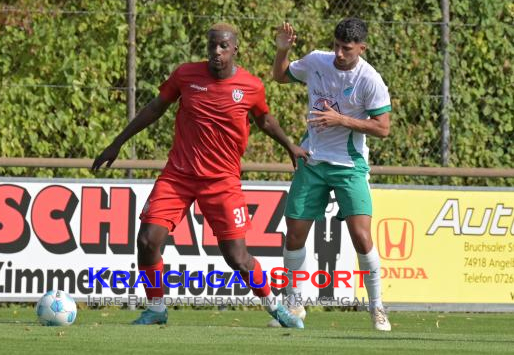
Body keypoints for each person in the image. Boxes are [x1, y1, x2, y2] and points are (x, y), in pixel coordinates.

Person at [92, 22, 308, 328]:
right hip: (178, 175)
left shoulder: (250, 86)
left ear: (235, 49)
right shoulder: (185, 75)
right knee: (147, 240)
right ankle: (156, 308)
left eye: (222, 46)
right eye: (211, 46)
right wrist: (117, 142)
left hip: (222, 181)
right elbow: (155, 107)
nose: (216, 52)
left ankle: (275, 307)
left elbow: (264, 119)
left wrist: (290, 145)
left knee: (237, 258)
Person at [270, 18, 392, 331]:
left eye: (346, 49)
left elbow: (383, 127)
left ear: (361, 48)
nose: (339, 53)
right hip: (312, 160)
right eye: (336, 45)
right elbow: (281, 76)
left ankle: (377, 307)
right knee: (295, 232)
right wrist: (282, 51)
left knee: (362, 238)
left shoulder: (370, 79)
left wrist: (341, 119)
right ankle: (294, 305)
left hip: (350, 166)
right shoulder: (316, 61)